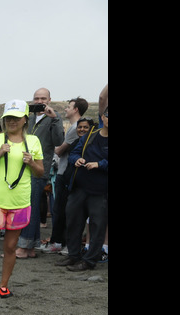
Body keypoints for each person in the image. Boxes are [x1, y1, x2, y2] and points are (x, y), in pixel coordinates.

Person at [0, 100, 44, 299]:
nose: (12, 121)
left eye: (16, 118)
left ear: (25, 120)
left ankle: (4, 285)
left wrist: (31, 163)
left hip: (19, 202)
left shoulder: (34, 142)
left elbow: (40, 173)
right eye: (8, 118)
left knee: (11, 247)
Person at [56, 108, 108, 271]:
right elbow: (73, 153)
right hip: (79, 188)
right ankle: (73, 256)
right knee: (73, 221)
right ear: (102, 117)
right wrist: (77, 159)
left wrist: (99, 164)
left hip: (100, 191)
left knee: (97, 225)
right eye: (107, 116)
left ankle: (89, 260)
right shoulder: (90, 135)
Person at [16, 88, 63, 258]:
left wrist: (55, 118)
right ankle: (30, 247)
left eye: (43, 98)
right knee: (29, 206)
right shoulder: (28, 117)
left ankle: (24, 246)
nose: (39, 101)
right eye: (36, 98)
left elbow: (59, 141)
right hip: (22, 168)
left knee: (30, 207)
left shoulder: (54, 118)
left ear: (49, 100)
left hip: (39, 169)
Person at [44, 97, 90, 253]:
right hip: (66, 172)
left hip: (65, 173)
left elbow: (59, 150)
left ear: (76, 109)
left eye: (69, 107)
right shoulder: (74, 127)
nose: (66, 109)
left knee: (62, 209)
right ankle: (61, 242)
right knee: (62, 209)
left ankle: (60, 242)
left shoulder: (75, 128)